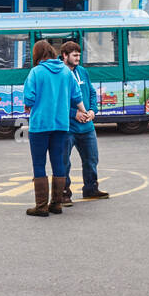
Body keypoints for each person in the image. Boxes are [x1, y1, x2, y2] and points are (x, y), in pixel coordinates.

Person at [22, 40, 86, 218]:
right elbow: (76, 95)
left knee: (39, 164)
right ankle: (57, 204)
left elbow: (29, 99)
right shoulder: (66, 71)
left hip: (40, 125)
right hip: (61, 124)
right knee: (59, 162)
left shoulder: (35, 72)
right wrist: (83, 110)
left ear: (37, 54)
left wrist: (29, 105)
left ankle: (41, 206)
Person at [61, 40, 108, 200]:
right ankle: (64, 193)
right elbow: (56, 100)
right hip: (67, 128)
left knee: (92, 159)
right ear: (64, 55)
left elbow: (92, 93)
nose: (77, 58)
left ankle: (91, 189)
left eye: (79, 55)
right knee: (64, 162)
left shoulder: (82, 71)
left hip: (87, 127)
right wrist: (74, 113)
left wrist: (92, 110)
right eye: (74, 55)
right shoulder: (59, 73)